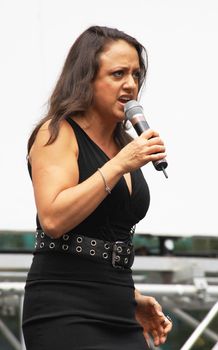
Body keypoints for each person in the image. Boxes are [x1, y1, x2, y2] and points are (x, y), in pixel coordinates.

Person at [22, 25, 172, 350]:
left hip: (119, 306)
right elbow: (54, 219)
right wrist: (119, 165)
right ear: (86, 78)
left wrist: (134, 298)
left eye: (136, 74)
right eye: (118, 74)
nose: (131, 85)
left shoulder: (124, 144)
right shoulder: (57, 133)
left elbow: (103, 235)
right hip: (65, 309)